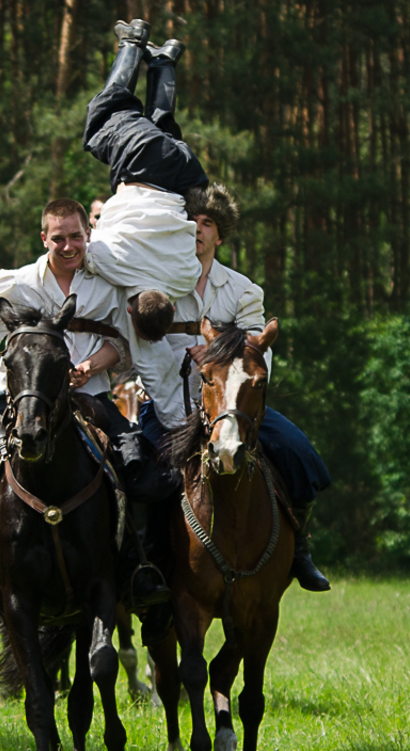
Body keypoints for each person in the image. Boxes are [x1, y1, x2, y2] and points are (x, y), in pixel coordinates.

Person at [0, 197, 174, 604]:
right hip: (22, 399)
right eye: (58, 238)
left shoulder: (110, 284)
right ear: (44, 238)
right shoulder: (16, 282)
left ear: (87, 235)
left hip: (88, 398)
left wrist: (90, 366)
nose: (68, 246)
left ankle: (136, 566)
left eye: (76, 236)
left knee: (135, 459)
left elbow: (122, 345)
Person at [134, 183, 333, 592]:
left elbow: (260, 355)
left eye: (207, 223)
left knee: (300, 456)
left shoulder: (244, 290)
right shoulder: (155, 287)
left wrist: (220, 363)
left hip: (233, 405)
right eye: (190, 220)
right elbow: (140, 348)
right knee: (141, 475)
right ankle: (145, 564)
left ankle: (299, 552)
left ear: (219, 235)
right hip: (171, 404)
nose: (197, 229)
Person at [80, 19, 206, 335]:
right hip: (139, 165)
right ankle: (132, 42)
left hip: (185, 176)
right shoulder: (110, 264)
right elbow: (86, 248)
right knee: (104, 115)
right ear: (130, 307)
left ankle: (164, 61)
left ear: (173, 307)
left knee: (160, 125)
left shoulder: (185, 279)